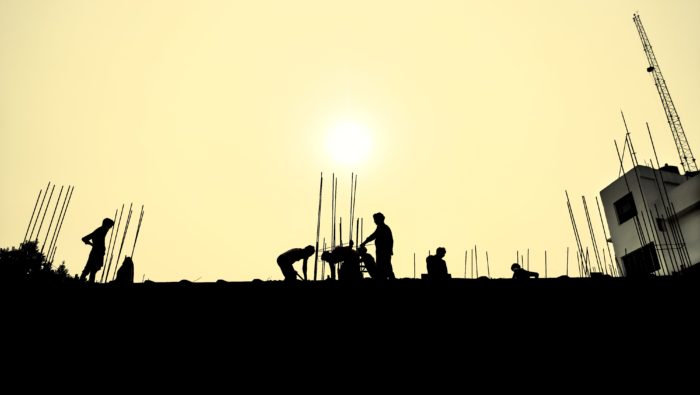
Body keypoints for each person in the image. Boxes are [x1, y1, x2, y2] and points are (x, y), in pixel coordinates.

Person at [360, 212, 395, 280]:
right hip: (381, 250)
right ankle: (386, 277)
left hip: (383, 251)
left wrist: (364, 242)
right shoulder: (381, 227)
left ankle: (389, 278)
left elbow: (373, 236)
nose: (375, 221)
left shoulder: (383, 228)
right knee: (383, 265)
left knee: (385, 265)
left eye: (375, 220)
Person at [80, 217, 115, 283]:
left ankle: (84, 281)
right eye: (110, 225)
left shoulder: (99, 230)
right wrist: (93, 245)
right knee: (91, 269)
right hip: (97, 252)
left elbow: (85, 238)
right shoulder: (101, 230)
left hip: (98, 252)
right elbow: (85, 238)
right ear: (106, 224)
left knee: (91, 269)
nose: (110, 228)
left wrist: (92, 244)